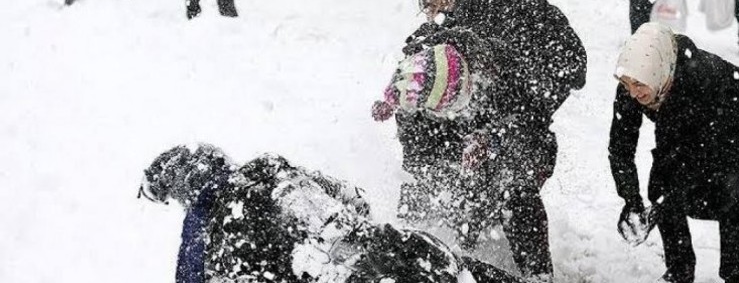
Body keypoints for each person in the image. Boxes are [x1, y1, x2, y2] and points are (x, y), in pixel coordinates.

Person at [373, 0, 587, 282]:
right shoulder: (443, 26)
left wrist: (506, 123)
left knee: (510, 178)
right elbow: (419, 149)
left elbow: (571, 62)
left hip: (525, 103)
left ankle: (536, 275)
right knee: (441, 175)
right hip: (474, 103)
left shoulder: (498, 5)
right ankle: (444, 249)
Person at [139, 144, 530, 283]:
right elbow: (355, 199)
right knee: (457, 270)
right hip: (406, 249)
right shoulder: (270, 165)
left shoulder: (218, 246)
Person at [608, 22, 739, 283]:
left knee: (732, 191)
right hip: (688, 130)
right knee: (661, 186)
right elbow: (620, 147)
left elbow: (688, 153)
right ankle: (680, 270)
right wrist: (631, 200)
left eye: (638, 84)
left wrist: (735, 168)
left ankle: (735, 272)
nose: (633, 92)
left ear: (657, 73)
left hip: (737, 124)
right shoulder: (634, 82)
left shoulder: (699, 78)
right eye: (626, 84)